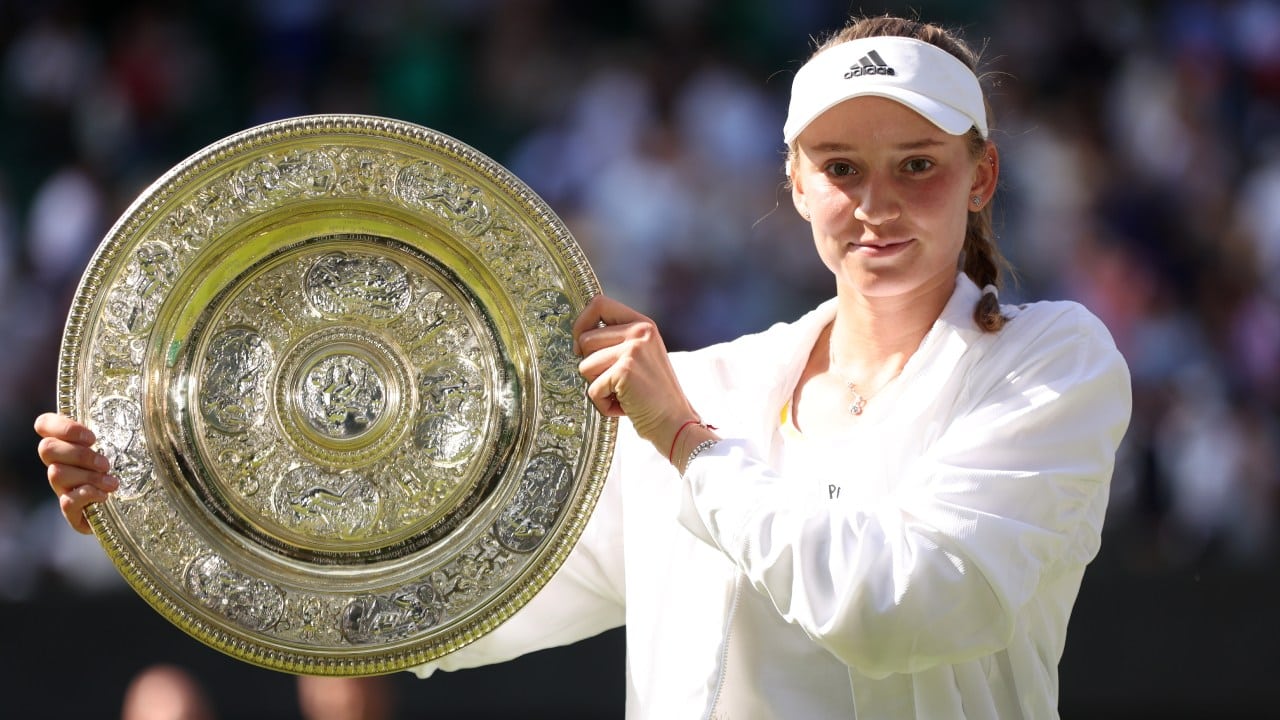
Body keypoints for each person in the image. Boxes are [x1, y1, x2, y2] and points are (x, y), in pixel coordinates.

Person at [37, 13, 1131, 719]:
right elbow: (446, 603)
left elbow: (900, 613)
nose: (876, 203)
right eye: (840, 167)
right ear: (794, 183)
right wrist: (166, 496)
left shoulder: (1051, 363)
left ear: (981, 177)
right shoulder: (709, 383)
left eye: (919, 167)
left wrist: (687, 446)